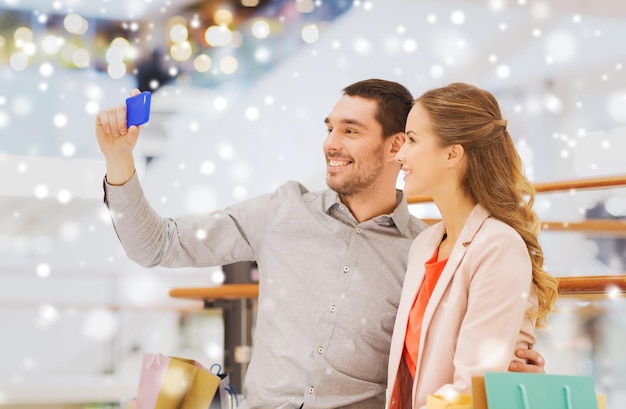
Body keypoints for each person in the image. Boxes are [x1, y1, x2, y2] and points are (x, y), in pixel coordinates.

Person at [95, 79, 545, 409]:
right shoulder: (283, 212)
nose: (330, 143)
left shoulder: (421, 249)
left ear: (395, 147)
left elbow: (449, 351)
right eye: (329, 128)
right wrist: (119, 161)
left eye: (350, 130)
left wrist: (508, 369)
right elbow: (155, 245)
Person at [387, 82, 559, 409]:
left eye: (412, 140)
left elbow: (471, 390)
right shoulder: (424, 245)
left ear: (452, 153)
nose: (400, 154)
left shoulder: (498, 246)